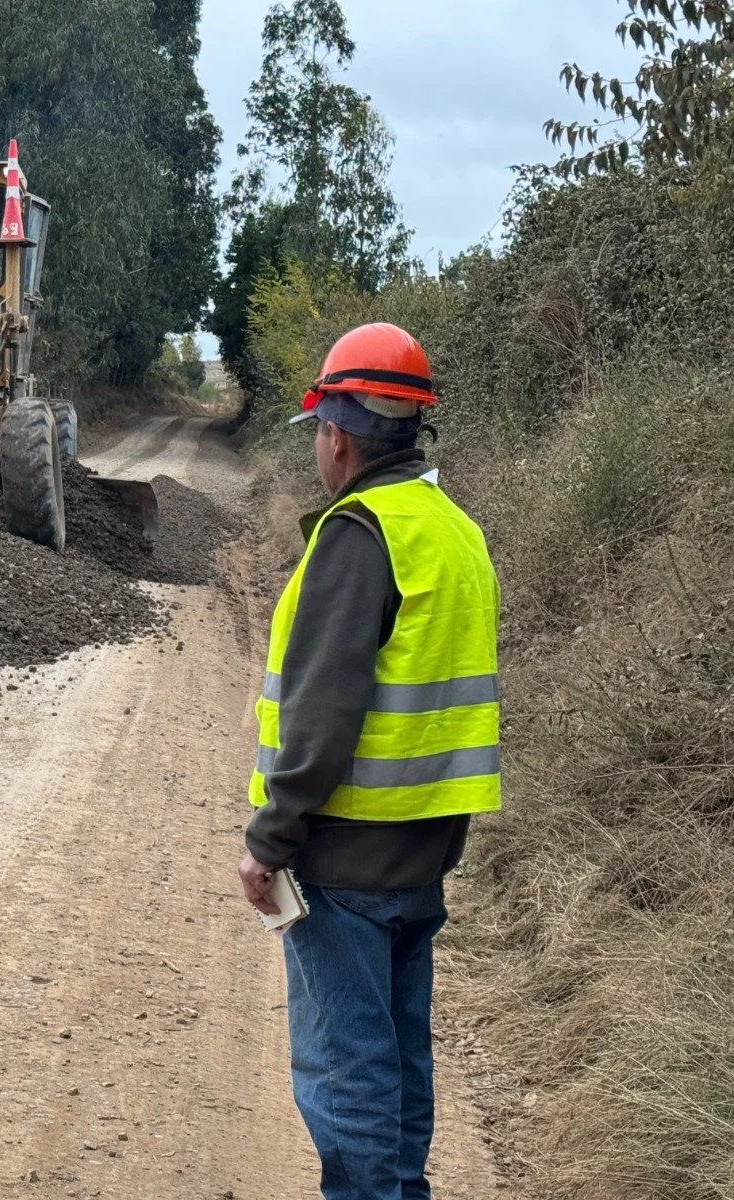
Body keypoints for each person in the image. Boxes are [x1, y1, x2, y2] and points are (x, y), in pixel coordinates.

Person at [238, 322, 502, 1200]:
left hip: (344, 854)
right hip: (423, 848)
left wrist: (273, 836)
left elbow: (322, 707)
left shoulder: (359, 533)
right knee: (396, 1056)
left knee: (345, 1068)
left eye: (318, 431)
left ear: (336, 435)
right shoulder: (453, 529)